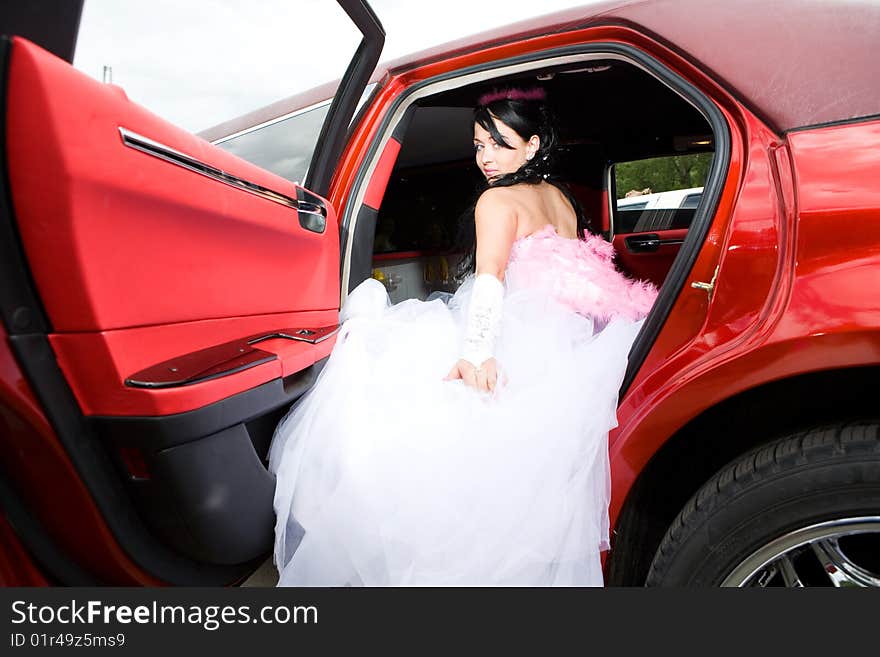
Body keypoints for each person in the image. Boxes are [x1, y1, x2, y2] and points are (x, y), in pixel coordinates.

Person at [268, 87, 658, 586]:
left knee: (369, 367)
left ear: (533, 145)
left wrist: (476, 353)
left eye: (499, 143)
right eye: (478, 145)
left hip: (519, 332)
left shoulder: (497, 201)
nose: (486, 158)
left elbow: (491, 277)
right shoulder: (560, 198)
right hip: (566, 338)